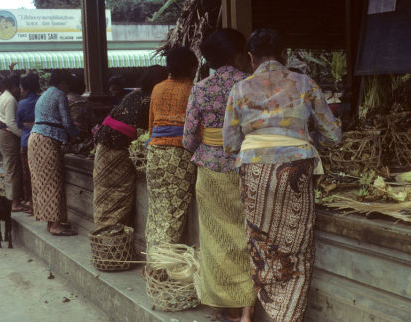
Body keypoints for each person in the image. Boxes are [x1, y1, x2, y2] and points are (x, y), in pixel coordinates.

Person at [223, 29, 342, 322]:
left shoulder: (239, 89)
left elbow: (229, 144)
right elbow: (333, 135)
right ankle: (288, 317)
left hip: (253, 170)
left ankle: (265, 311)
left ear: (251, 58)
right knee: (297, 249)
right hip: (297, 168)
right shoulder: (305, 84)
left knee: (260, 243)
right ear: (284, 55)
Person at [182, 29, 256, 322]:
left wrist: (209, 142)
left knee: (216, 241)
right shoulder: (250, 85)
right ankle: (249, 308)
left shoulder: (200, 88)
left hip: (210, 171)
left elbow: (188, 140)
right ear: (239, 55)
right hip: (247, 168)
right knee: (248, 235)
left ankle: (230, 308)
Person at [93, 65, 168, 229]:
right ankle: (111, 232)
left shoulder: (133, 94)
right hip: (120, 146)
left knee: (103, 190)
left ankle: (102, 229)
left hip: (103, 142)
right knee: (119, 190)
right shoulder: (152, 97)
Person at [146, 47, 198, 251]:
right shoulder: (192, 89)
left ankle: (151, 259)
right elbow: (196, 130)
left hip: (155, 152)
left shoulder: (157, 88)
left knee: (156, 209)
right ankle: (162, 267)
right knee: (174, 211)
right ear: (192, 68)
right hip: (179, 155)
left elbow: (151, 126)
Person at [29, 70, 80, 236]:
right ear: (63, 83)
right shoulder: (60, 94)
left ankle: (51, 222)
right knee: (54, 181)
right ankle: (57, 224)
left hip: (35, 138)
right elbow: (67, 121)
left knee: (42, 182)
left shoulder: (44, 95)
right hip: (47, 140)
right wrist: (77, 135)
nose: (69, 88)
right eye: (69, 85)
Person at [0, 74, 24, 212]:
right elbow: (11, 123)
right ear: (14, 86)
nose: (20, 90)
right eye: (19, 87)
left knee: (9, 166)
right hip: (8, 134)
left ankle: (11, 200)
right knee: (13, 167)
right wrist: (22, 135)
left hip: (2, 134)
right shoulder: (10, 99)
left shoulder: (3, 96)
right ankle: (15, 202)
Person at [16, 73, 41, 213]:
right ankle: (39, 202)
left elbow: (18, 123)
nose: (20, 91)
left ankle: (30, 202)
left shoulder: (22, 103)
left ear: (26, 89)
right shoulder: (42, 100)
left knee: (27, 173)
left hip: (25, 141)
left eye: (21, 88)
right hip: (41, 140)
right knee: (40, 173)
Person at [62, 76, 97, 155]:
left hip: (68, 142)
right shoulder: (86, 101)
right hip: (85, 141)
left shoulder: (64, 99)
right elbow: (93, 123)